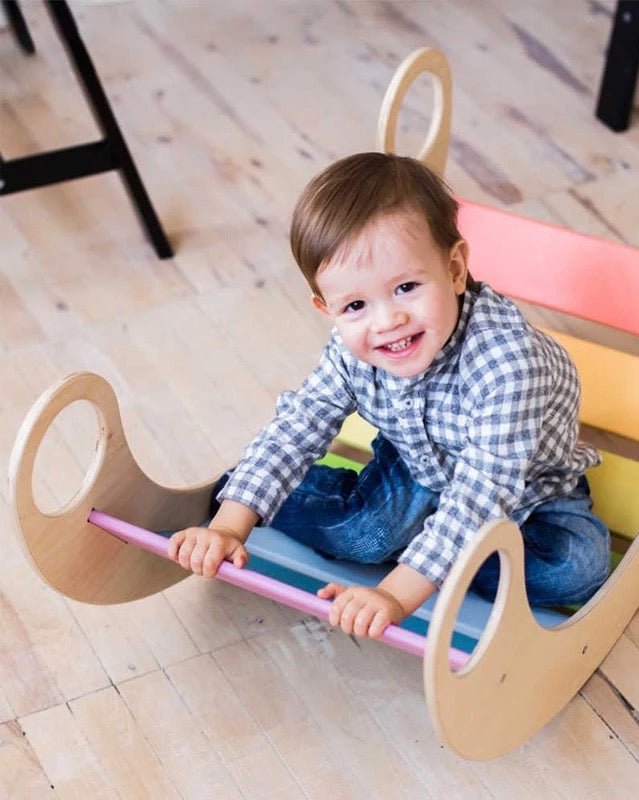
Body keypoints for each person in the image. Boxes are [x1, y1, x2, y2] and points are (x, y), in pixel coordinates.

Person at [168, 152, 609, 639]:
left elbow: (483, 493)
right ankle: (248, 491)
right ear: (327, 308)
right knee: (365, 534)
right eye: (355, 305)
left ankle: (423, 554)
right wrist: (230, 526)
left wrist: (396, 594)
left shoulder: (506, 364)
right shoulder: (351, 348)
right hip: (418, 466)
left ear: (456, 269)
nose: (387, 321)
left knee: (578, 569)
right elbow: (300, 426)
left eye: (406, 287)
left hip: (528, 487)